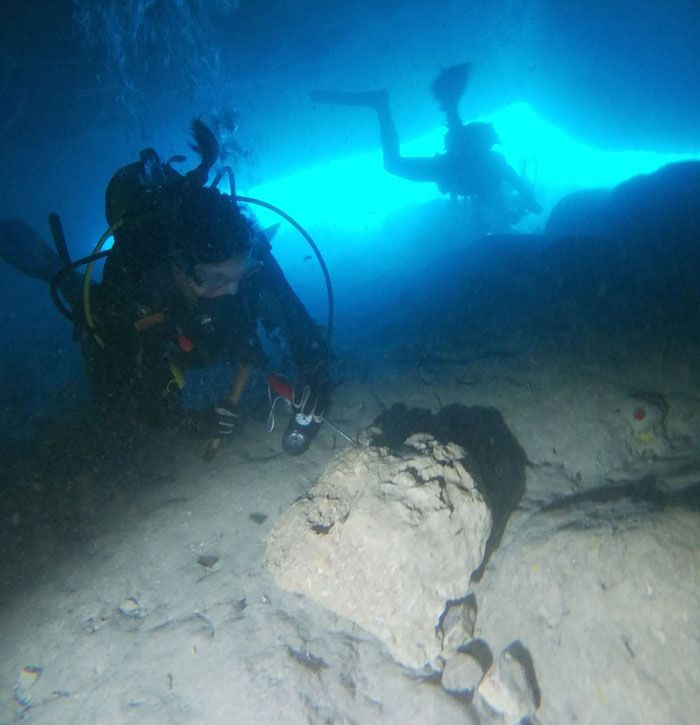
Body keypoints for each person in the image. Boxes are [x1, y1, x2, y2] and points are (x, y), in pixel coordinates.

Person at [0, 120, 333, 455]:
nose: (232, 289)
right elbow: (131, 394)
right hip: (159, 320)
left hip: (199, 319)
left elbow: (293, 314)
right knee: (100, 350)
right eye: (215, 278)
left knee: (247, 289)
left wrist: (314, 366)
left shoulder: (244, 250)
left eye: (240, 273)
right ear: (177, 267)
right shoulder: (137, 289)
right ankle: (53, 269)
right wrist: (186, 421)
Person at [311, 63, 540, 233]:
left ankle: (383, 106)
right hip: (446, 168)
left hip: (445, 168)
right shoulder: (494, 168)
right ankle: (385, 105)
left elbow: (492, 196)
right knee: (396, 163)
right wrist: (530, 201)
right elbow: (509, 180)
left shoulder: (490, 177)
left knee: (394, 163)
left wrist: (525, 203)